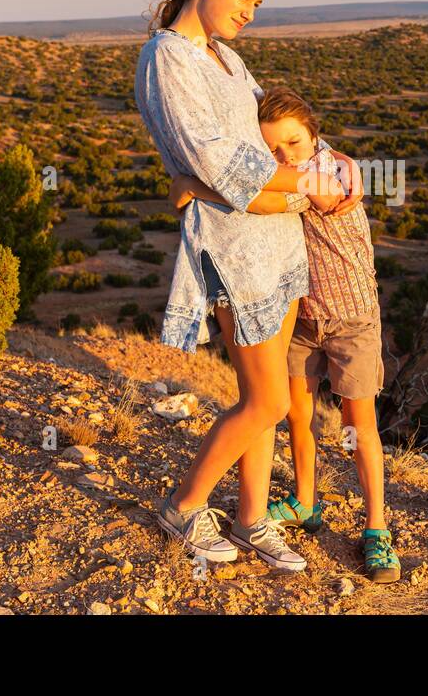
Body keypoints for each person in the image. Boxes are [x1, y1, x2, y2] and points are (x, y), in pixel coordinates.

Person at [134, 0, 363, 572]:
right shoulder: (169, 59)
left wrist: (330, 162)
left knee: (264, 398)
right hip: (234, 248)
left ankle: (251, 517)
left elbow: (276, 132)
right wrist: (307, 183)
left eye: (258, 3)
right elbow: (223, 161)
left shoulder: (229, 62)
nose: (249, 13)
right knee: (265, 401)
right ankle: (183, 506)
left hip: (280, 245)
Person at [170, 85, 400, 583]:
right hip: (300, 317)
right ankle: (304, 502)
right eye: (272, 150)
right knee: (296, 415)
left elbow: (274, 198)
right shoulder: (296, 172)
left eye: (293, 143)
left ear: (314, 134)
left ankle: (376, 529)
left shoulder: (333, 172)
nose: (284, 157)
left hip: (352, 318)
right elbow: (261, 194)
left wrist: (196, 185)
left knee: (358, 427)